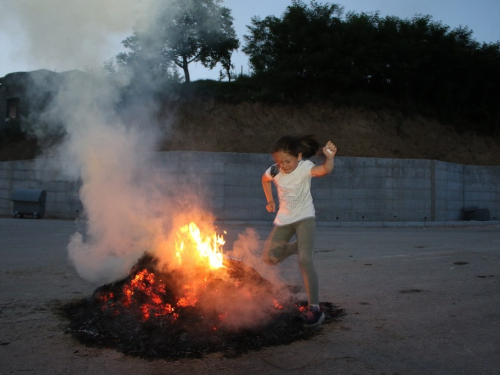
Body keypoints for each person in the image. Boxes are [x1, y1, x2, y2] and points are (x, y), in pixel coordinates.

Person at [261, 134, 337, 329]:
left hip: (305, 219)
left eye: (288, 161)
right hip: (284, 220)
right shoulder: (276, 169)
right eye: (280, 161)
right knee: (269, 257)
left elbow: (325, 170)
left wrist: (329, 158)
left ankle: (315, 308)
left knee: (305, 260)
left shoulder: (305, 168)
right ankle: (298, 246)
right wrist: (270, 200)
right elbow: (265, 179)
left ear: (299, 156)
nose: (284, 166)